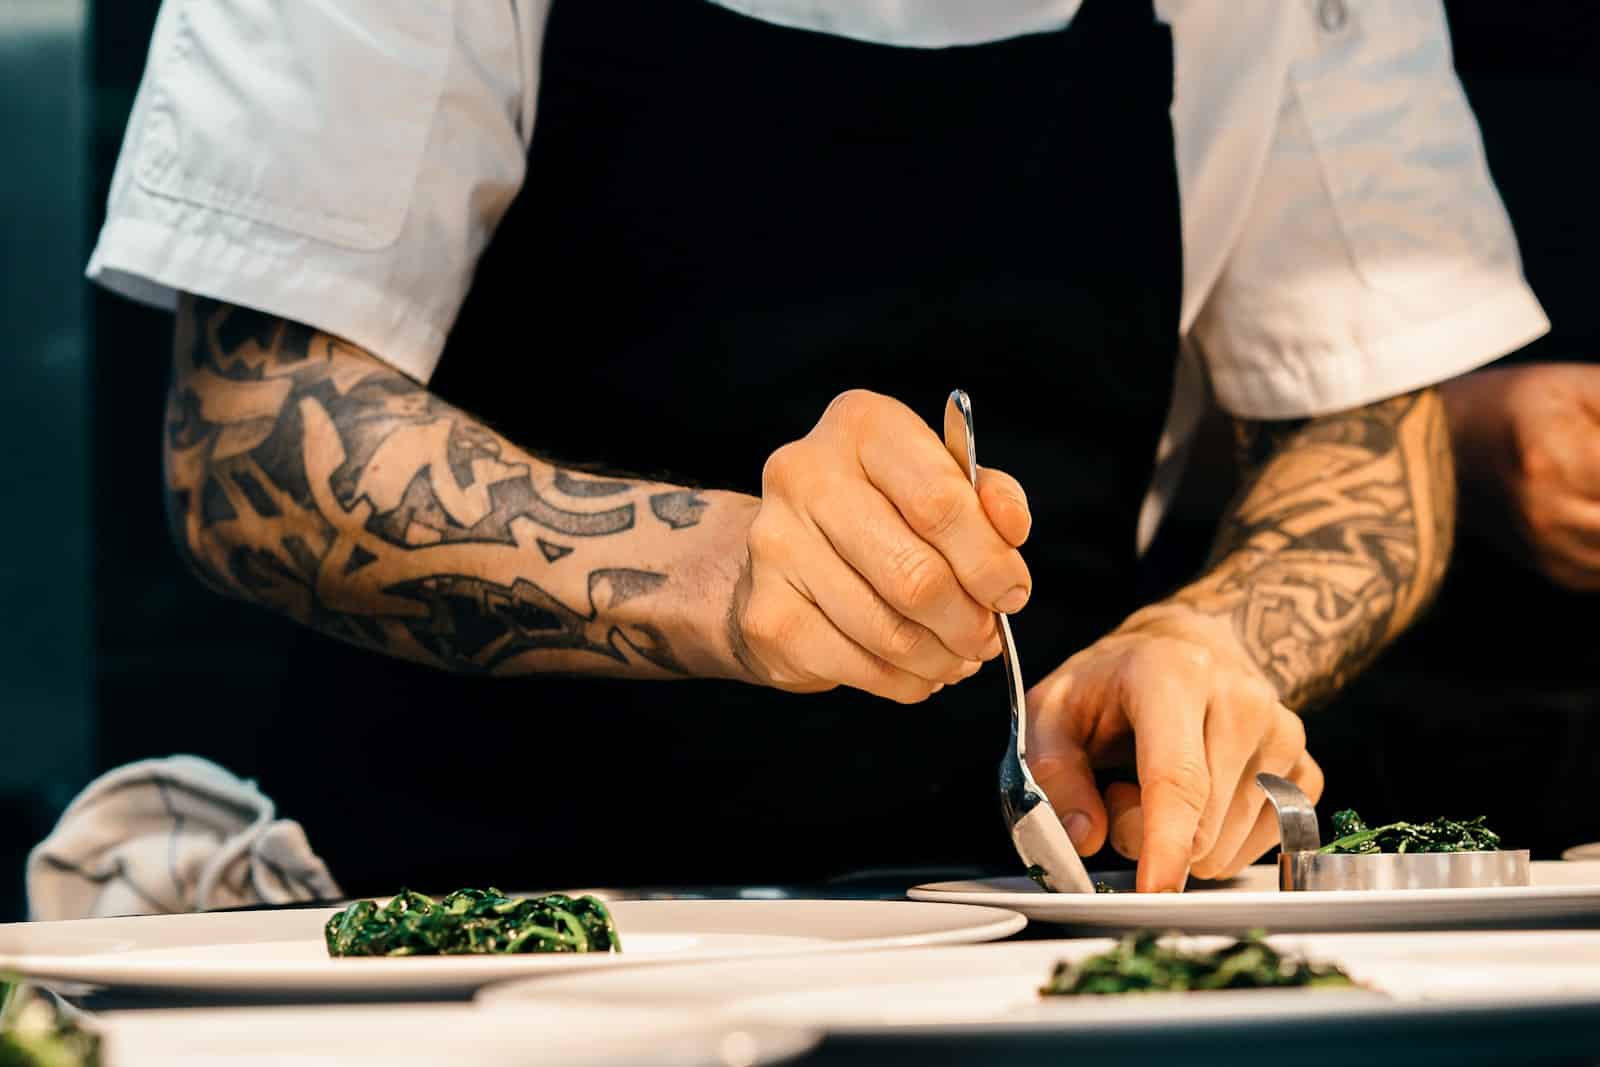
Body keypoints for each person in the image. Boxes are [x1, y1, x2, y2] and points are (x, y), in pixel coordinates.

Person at [87, 0, 1548, 896]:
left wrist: (1222, 643)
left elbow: (1366, 407)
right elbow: (249, 435)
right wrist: (717, 568)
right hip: (467, 926)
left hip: (1028, 934)